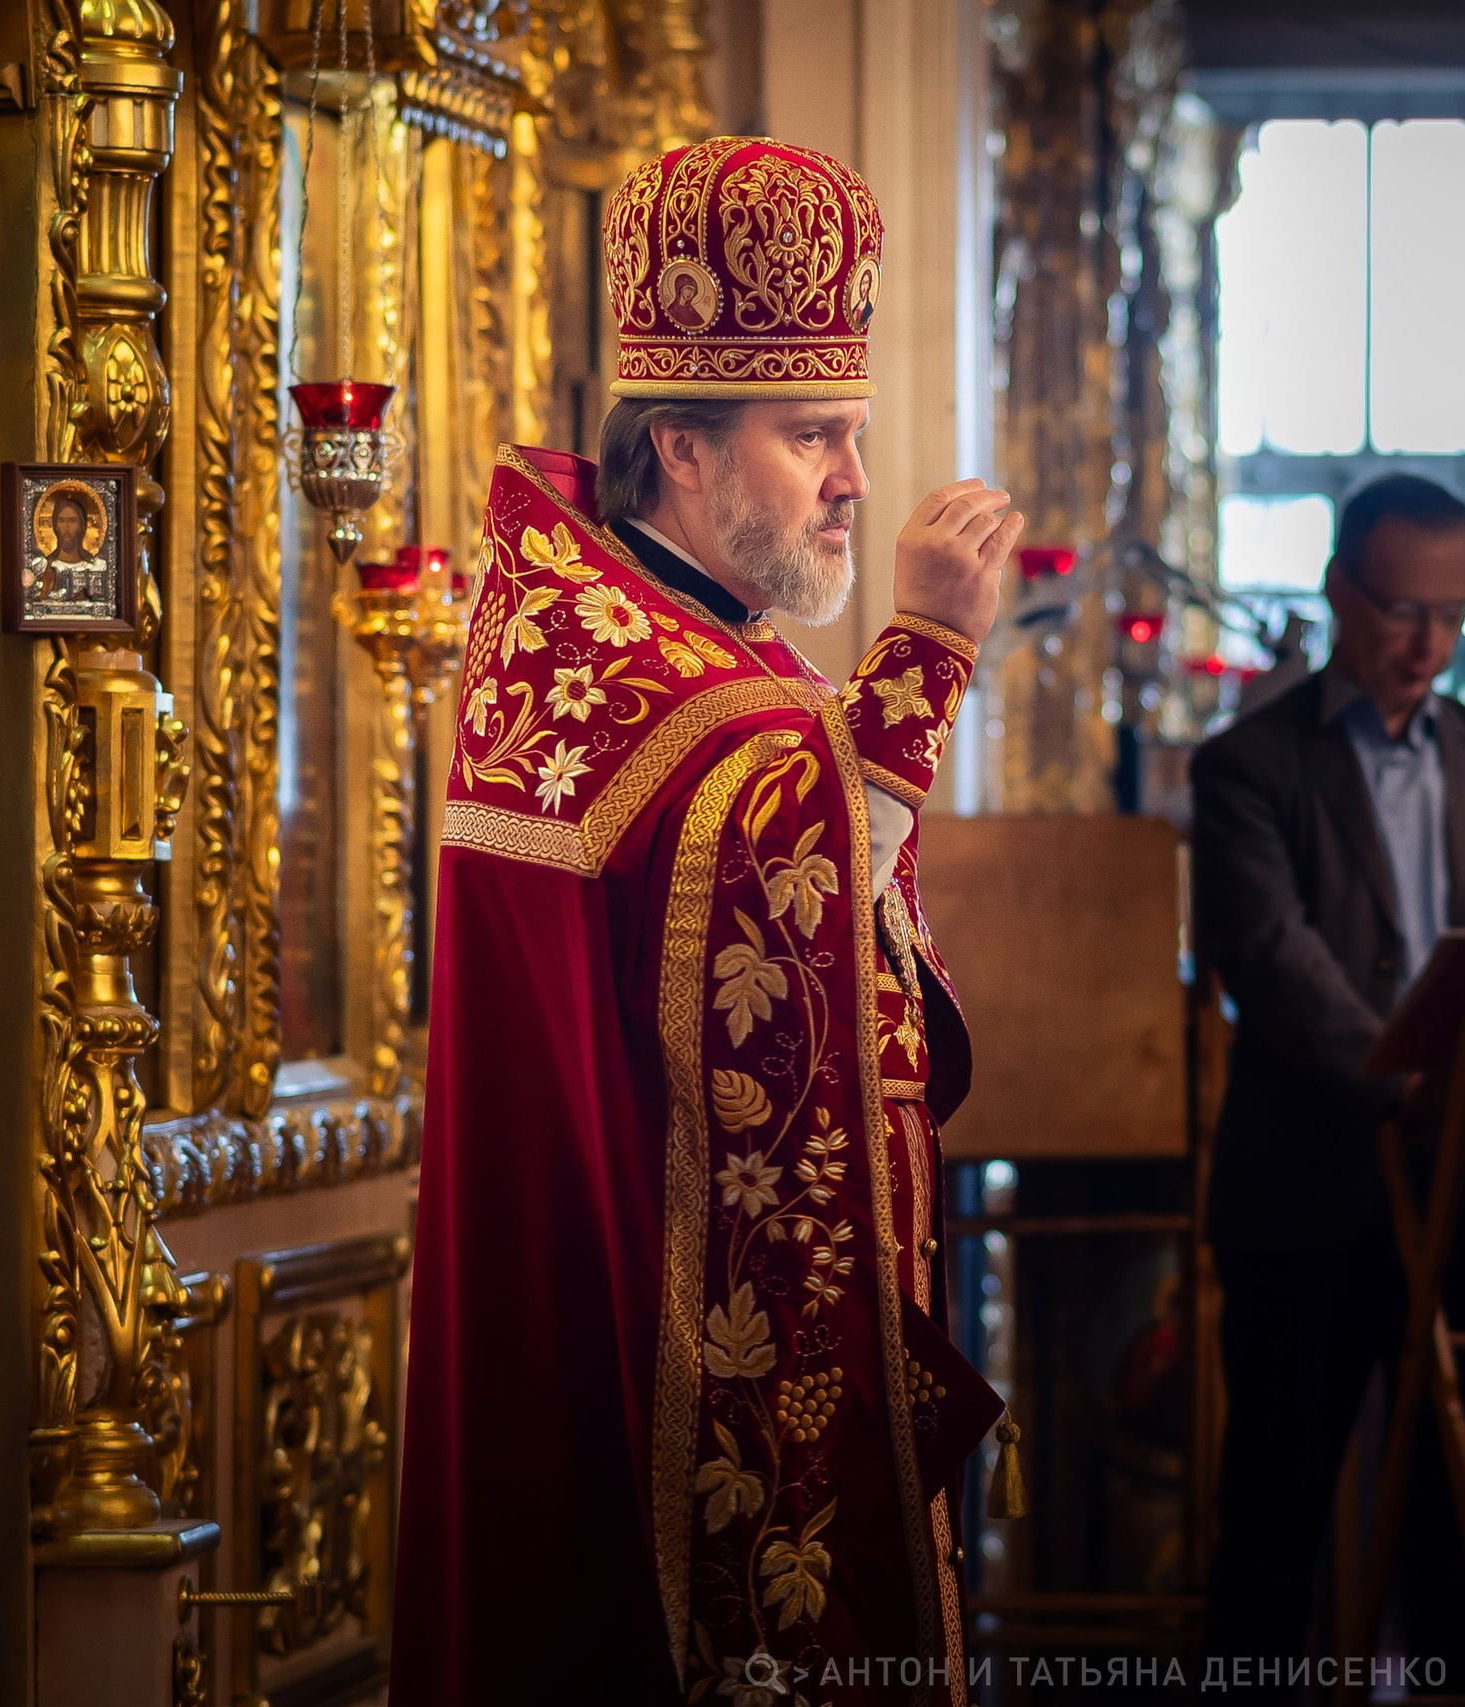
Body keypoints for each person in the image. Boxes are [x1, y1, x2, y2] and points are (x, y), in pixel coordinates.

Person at [395, 137, 1023, 1706]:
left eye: (853, 434)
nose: (853, 481)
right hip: (641, 1329)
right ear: (677, 441)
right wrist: (927, 652)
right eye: (813, 435)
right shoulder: (645, 676)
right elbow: (789, 916)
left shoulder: (636, 637)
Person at [1192, 474, 1465, 1691]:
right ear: (1336, 589)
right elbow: (1269, 961)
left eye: (1451, 613)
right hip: (1305, 1197)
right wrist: (1404, 1084)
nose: (1427, 643)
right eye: (1400, 609)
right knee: (1272, 1532)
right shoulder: (1247, 768)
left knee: (1462, 1534)